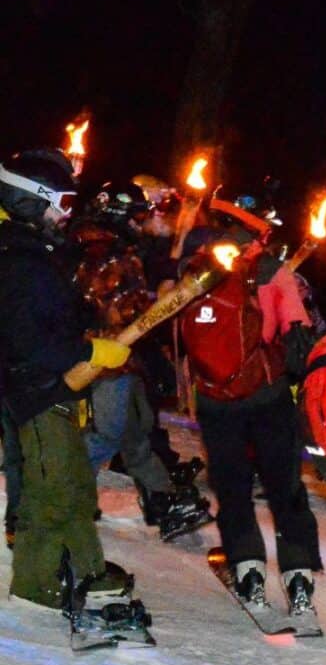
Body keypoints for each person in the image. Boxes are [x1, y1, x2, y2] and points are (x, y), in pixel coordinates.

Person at [0, 148, 133, 608]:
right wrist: (90, 350)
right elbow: (27, 342)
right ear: (32, 201)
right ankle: (38, 582)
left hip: (57, 389)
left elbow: (56, 314)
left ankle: (87, 567)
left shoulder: (36, 252)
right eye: (63, 202)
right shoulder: (18, 261)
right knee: (51, 491)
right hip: (34, 392)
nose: (67, 215)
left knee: (75, 484)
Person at [181, 200, 322, 621]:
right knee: (285, 489)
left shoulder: (197, 268)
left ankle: (248, 571)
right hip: (267, 396)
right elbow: (298, 343)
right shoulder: (274, 272)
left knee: (233, 487)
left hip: (213, 399)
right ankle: (298, 577)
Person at [71, 183, 211, 540]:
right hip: (106, 357)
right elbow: (104, 304)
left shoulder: (121, 250)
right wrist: (154, 302)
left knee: (137, 433)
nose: (143, 223)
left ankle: (162, 501)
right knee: (108, 433)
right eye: (137, 216)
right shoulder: (100, 251)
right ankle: (62, 491)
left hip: (127, 358)